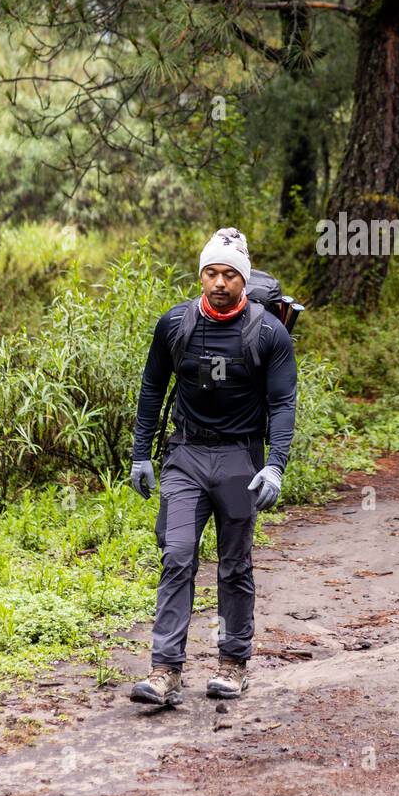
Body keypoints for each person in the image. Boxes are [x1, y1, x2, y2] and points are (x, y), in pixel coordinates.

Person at [128, 227, 297, 706]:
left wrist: (276, 466)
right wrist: (142, 453)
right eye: (210, 272)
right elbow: (151, 390)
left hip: (240, 459)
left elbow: (283, 403)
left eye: (228, 274)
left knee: (234, 565)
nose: (219, 282)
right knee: (177, 555)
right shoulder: (175, 324)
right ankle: (164, 671)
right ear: (200, 275)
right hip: (185, 454)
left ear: (243, 279)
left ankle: (232, 664)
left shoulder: (268, 332)